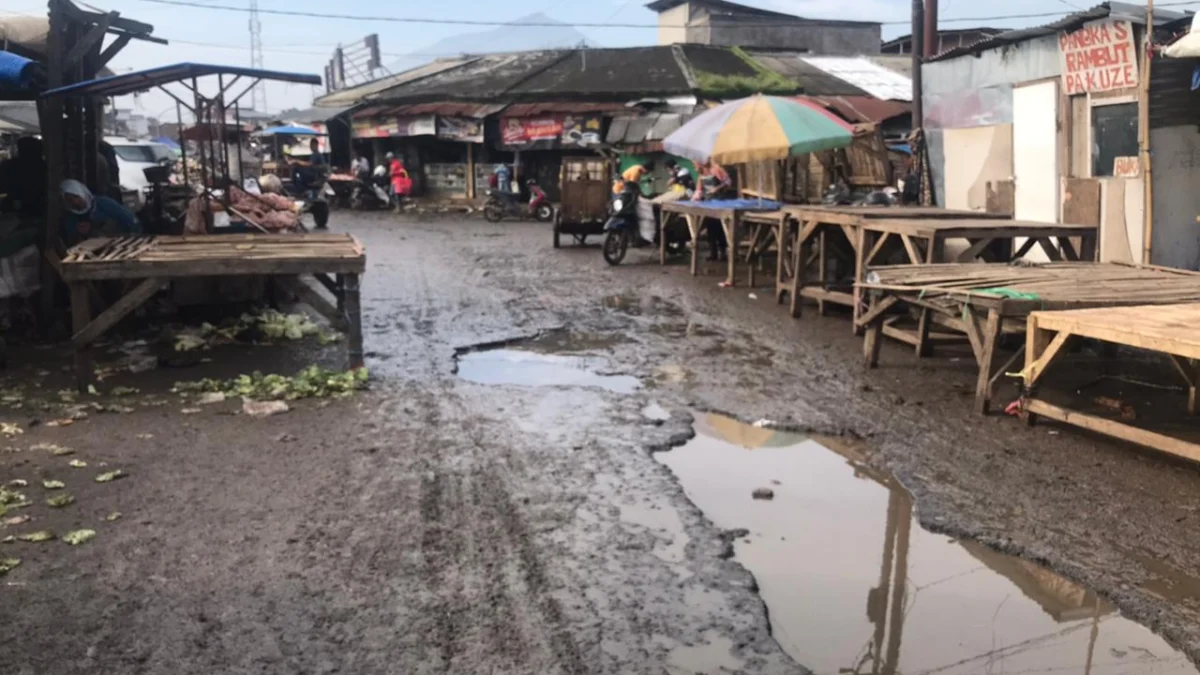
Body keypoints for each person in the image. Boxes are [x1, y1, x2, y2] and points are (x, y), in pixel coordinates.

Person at [60, 179, 140, 244]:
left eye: (76, 197)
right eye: (70, 200)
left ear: (83, 194)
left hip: (120, 243)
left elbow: (129, 220)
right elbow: (73, 239)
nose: (75, 202)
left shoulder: (103, 203)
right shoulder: (71, 217)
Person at [694, 161, 734, 261]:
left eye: (697, 164)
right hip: (708, 204)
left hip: (720, 202)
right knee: (710, 228)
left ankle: (723, 253)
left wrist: (717, 188)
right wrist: (695, 198)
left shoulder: (716, 170)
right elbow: (699, 190)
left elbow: (728, 182)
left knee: (720, 228)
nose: (696, 166)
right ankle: (713, 253)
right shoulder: (700, 175)